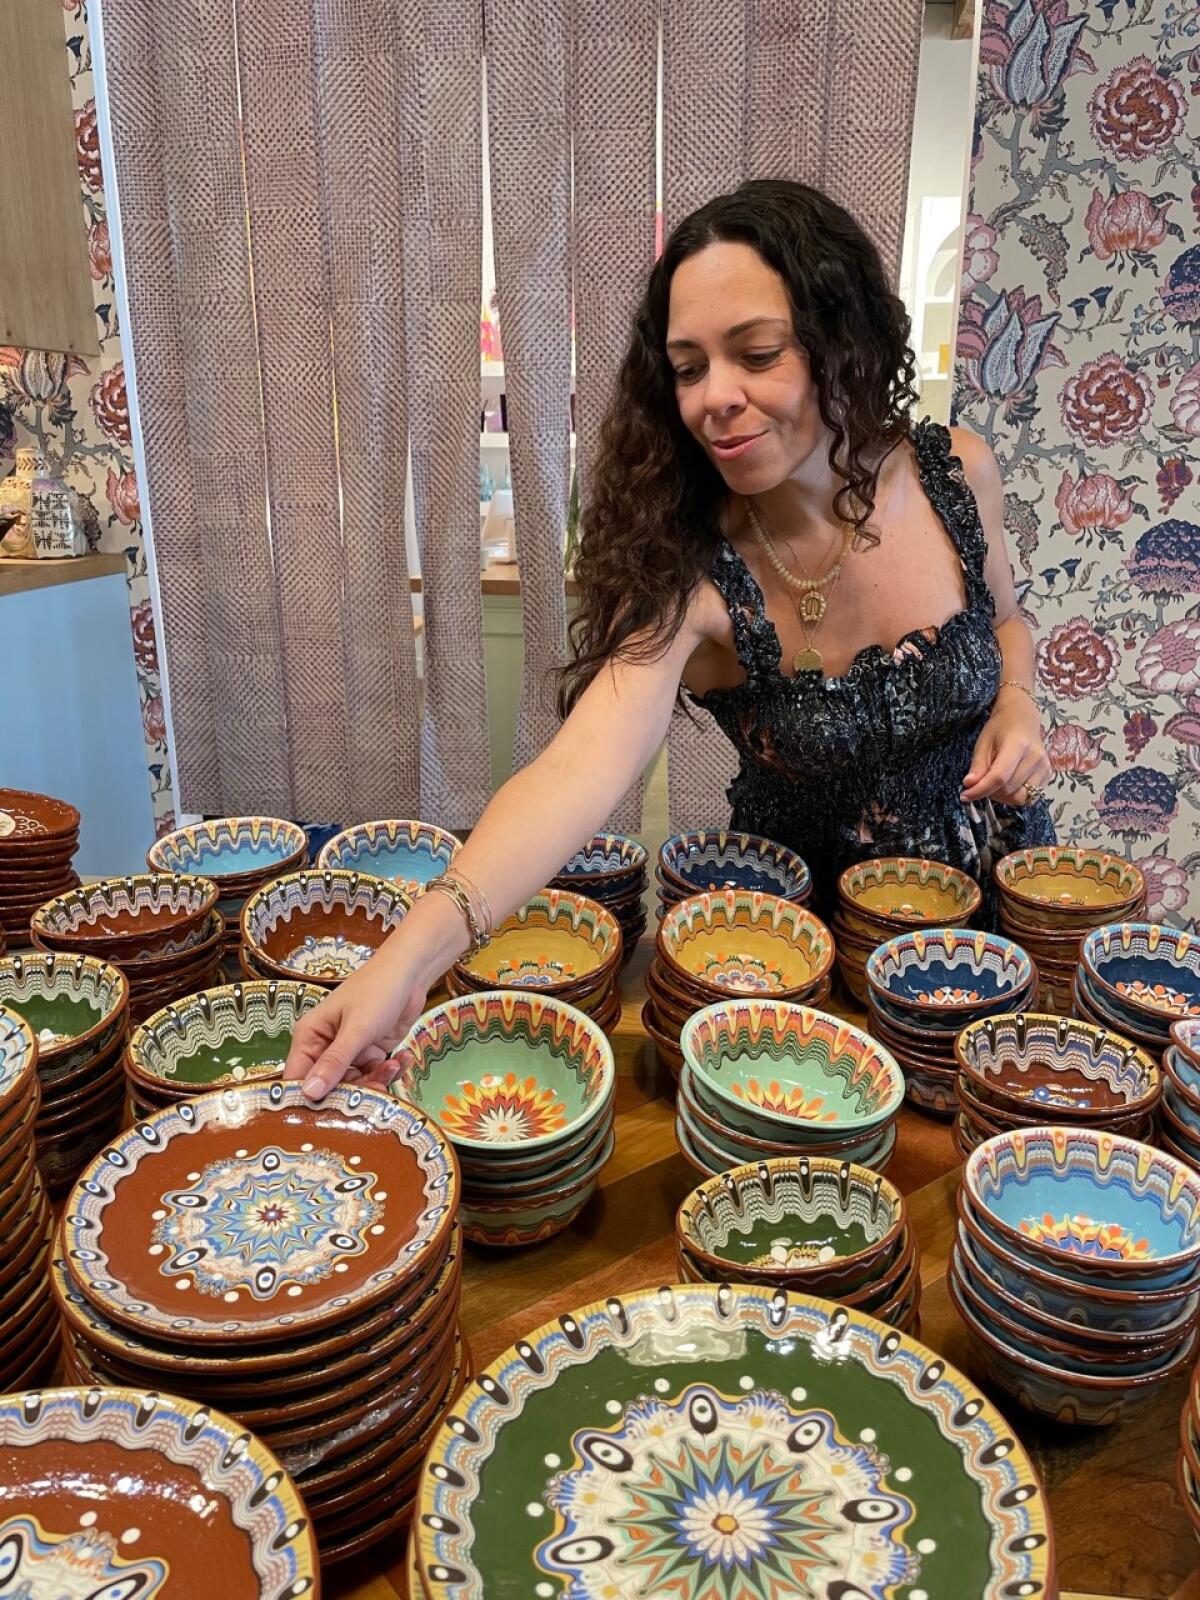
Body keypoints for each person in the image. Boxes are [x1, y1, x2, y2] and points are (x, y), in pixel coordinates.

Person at [284, 178, 1055, 1101]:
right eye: (689, 368)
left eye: (756, 353)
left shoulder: (955, 473)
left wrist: (1016, 701)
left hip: (986, 921)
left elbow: (1005, 619)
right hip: (791, 968)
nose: (715, 398)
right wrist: (402, 963)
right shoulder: (696, 574)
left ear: (840, 343)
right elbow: (573, 777)